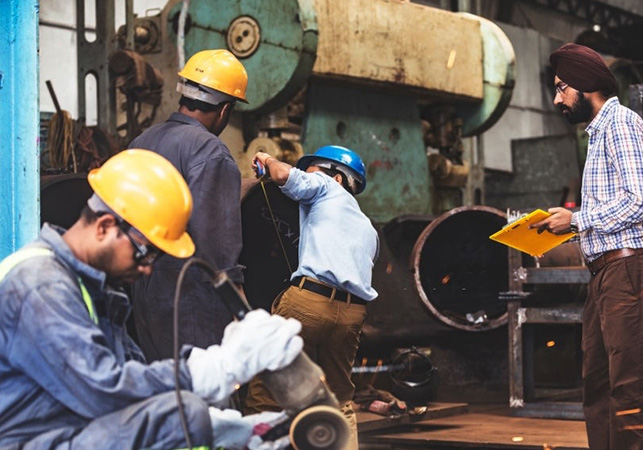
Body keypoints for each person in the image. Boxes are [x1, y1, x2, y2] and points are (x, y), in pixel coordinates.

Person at [0, 149, 304, 449]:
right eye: (145, 252)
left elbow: (136, 379)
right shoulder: (41, 284)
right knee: (181, 418)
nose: (147, 268)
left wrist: (226, 428)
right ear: (105, 226)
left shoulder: (91, 289)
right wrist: (219, 367)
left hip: (60, 430)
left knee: (187, 415)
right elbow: (105, 392)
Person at [531, 43, 643, 450]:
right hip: (608, 273)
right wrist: (567, 225)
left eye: (561, 88)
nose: (557, 99)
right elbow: (617, 206)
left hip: (630, 270)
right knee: (598, 384)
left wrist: (577, 219)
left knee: (629, 388)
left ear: (585, 84)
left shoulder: (621, 124)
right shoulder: (599, 134)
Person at [244, 146, 379, 450]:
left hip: (310, 302)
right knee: (340, 399)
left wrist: (265, 158)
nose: (307, 176)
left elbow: (281, 175)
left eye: (312, 171)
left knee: (267, 387)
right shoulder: (369, 229)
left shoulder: (327, 187)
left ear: (339, 178)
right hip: (352, 315)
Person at [129, 49, 250, 362]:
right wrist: (241, 308)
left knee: (164, 388)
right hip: (191, 297)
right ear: (225, 110)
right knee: (205, 396)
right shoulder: (209, 150)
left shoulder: (142, 141)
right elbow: (216, 245)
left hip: (144, 290)